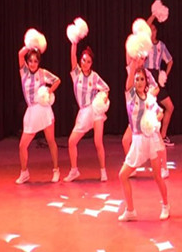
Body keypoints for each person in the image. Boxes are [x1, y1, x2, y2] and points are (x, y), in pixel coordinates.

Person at [117, 59, 169, 221]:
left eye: (142, 79)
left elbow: (160, 112)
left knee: (157, 176)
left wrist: (156, 118)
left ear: (146, 82)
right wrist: (134, 61)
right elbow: (128, 82)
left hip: (151, 140)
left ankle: (166, 205)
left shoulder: (150, 99)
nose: (139, 82)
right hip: (137, 142)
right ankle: (130, 210)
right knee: (123, 175)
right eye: (137, 79)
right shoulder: (130, 96)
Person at [63, 43, 110, 182]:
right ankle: (74, 170)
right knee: (72, 142)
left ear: (91, 64)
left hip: (95, 110)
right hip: (83, 112)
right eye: (83, 60)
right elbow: (72, 55)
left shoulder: (94, 76)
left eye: (88, 61)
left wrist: (104, 99)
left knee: (98, 142)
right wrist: (74, 43)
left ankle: (103, 171)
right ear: (80, 60)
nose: (85, 63)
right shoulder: (76, 74)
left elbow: (106, 89)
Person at [15, 46, 61, 184]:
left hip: (44, 110)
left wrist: (49, 91)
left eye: (35, 61)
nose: (33, 64)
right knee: (22, 145)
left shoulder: (42, 73)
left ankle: (56, 170)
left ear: (39, 62)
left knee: (51, 141)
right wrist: (30, 44)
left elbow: (57, 80)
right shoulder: (24, 72)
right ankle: (24, 173)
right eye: (30, 61)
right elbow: (20, 54)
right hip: (31, 112)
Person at [144, 17, 175, 146]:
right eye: (150, 30)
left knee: (170, 107)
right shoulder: (145, 44)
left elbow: (170, 61)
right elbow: (145, 25)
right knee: (146, 108)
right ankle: (145, 137)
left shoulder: (161, 46)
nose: (152, 32)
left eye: (154, 29)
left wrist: (164, 74)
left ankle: (163, 136)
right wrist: (154, 14)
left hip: (156, 77)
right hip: (146, 76)